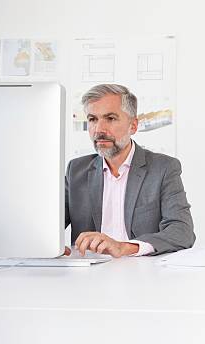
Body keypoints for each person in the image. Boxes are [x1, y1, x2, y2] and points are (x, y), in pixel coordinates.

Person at [65, 84, 195, 257]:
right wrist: (52, 247)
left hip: (143, 273)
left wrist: (125, 247)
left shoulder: (163, 168)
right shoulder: (76, 170)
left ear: (133, 126)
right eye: (92, 119)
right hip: (88, 275)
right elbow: (48, 226)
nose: (99, 129)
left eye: (110, 118)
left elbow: (182, 231)